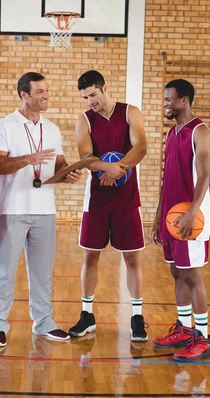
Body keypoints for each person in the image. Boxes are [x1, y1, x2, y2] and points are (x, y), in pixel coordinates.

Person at [0, 72, 81, 348]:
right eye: (40, 91)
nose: (46, 96)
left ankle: (44, 322)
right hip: (13, 208)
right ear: (24, 95)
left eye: (47, 91)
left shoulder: (52, 129)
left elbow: (60, 164)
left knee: (42, 271)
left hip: (45, 210)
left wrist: (69, 174)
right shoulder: (3, 126)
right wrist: (30, 159)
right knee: (4, 270)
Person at [69, 70, 148, 342]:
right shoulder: (84, 120)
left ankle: (137, 317)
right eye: (85, 97)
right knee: (90, 256)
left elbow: (141, 147)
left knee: (132, 258)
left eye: (93, 94)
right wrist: (107, 168)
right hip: (97, 199)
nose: (90, 100)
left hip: (126, 200)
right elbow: (85, 156)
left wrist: (119, 169)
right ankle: (87, 314)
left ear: (104, 88)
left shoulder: (130, 112)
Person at [151, 79, 210, 361]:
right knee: (177, 272)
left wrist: (192, 212)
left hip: (191, 215)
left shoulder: (199, 131)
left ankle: (203, 339)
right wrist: (156, 218)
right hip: (171, 216)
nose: (165, 104)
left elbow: (204, 176)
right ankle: (185, 329)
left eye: (169, 99)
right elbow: (167, 181)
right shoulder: (171, 134)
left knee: (192, 274)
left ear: (184, 101)